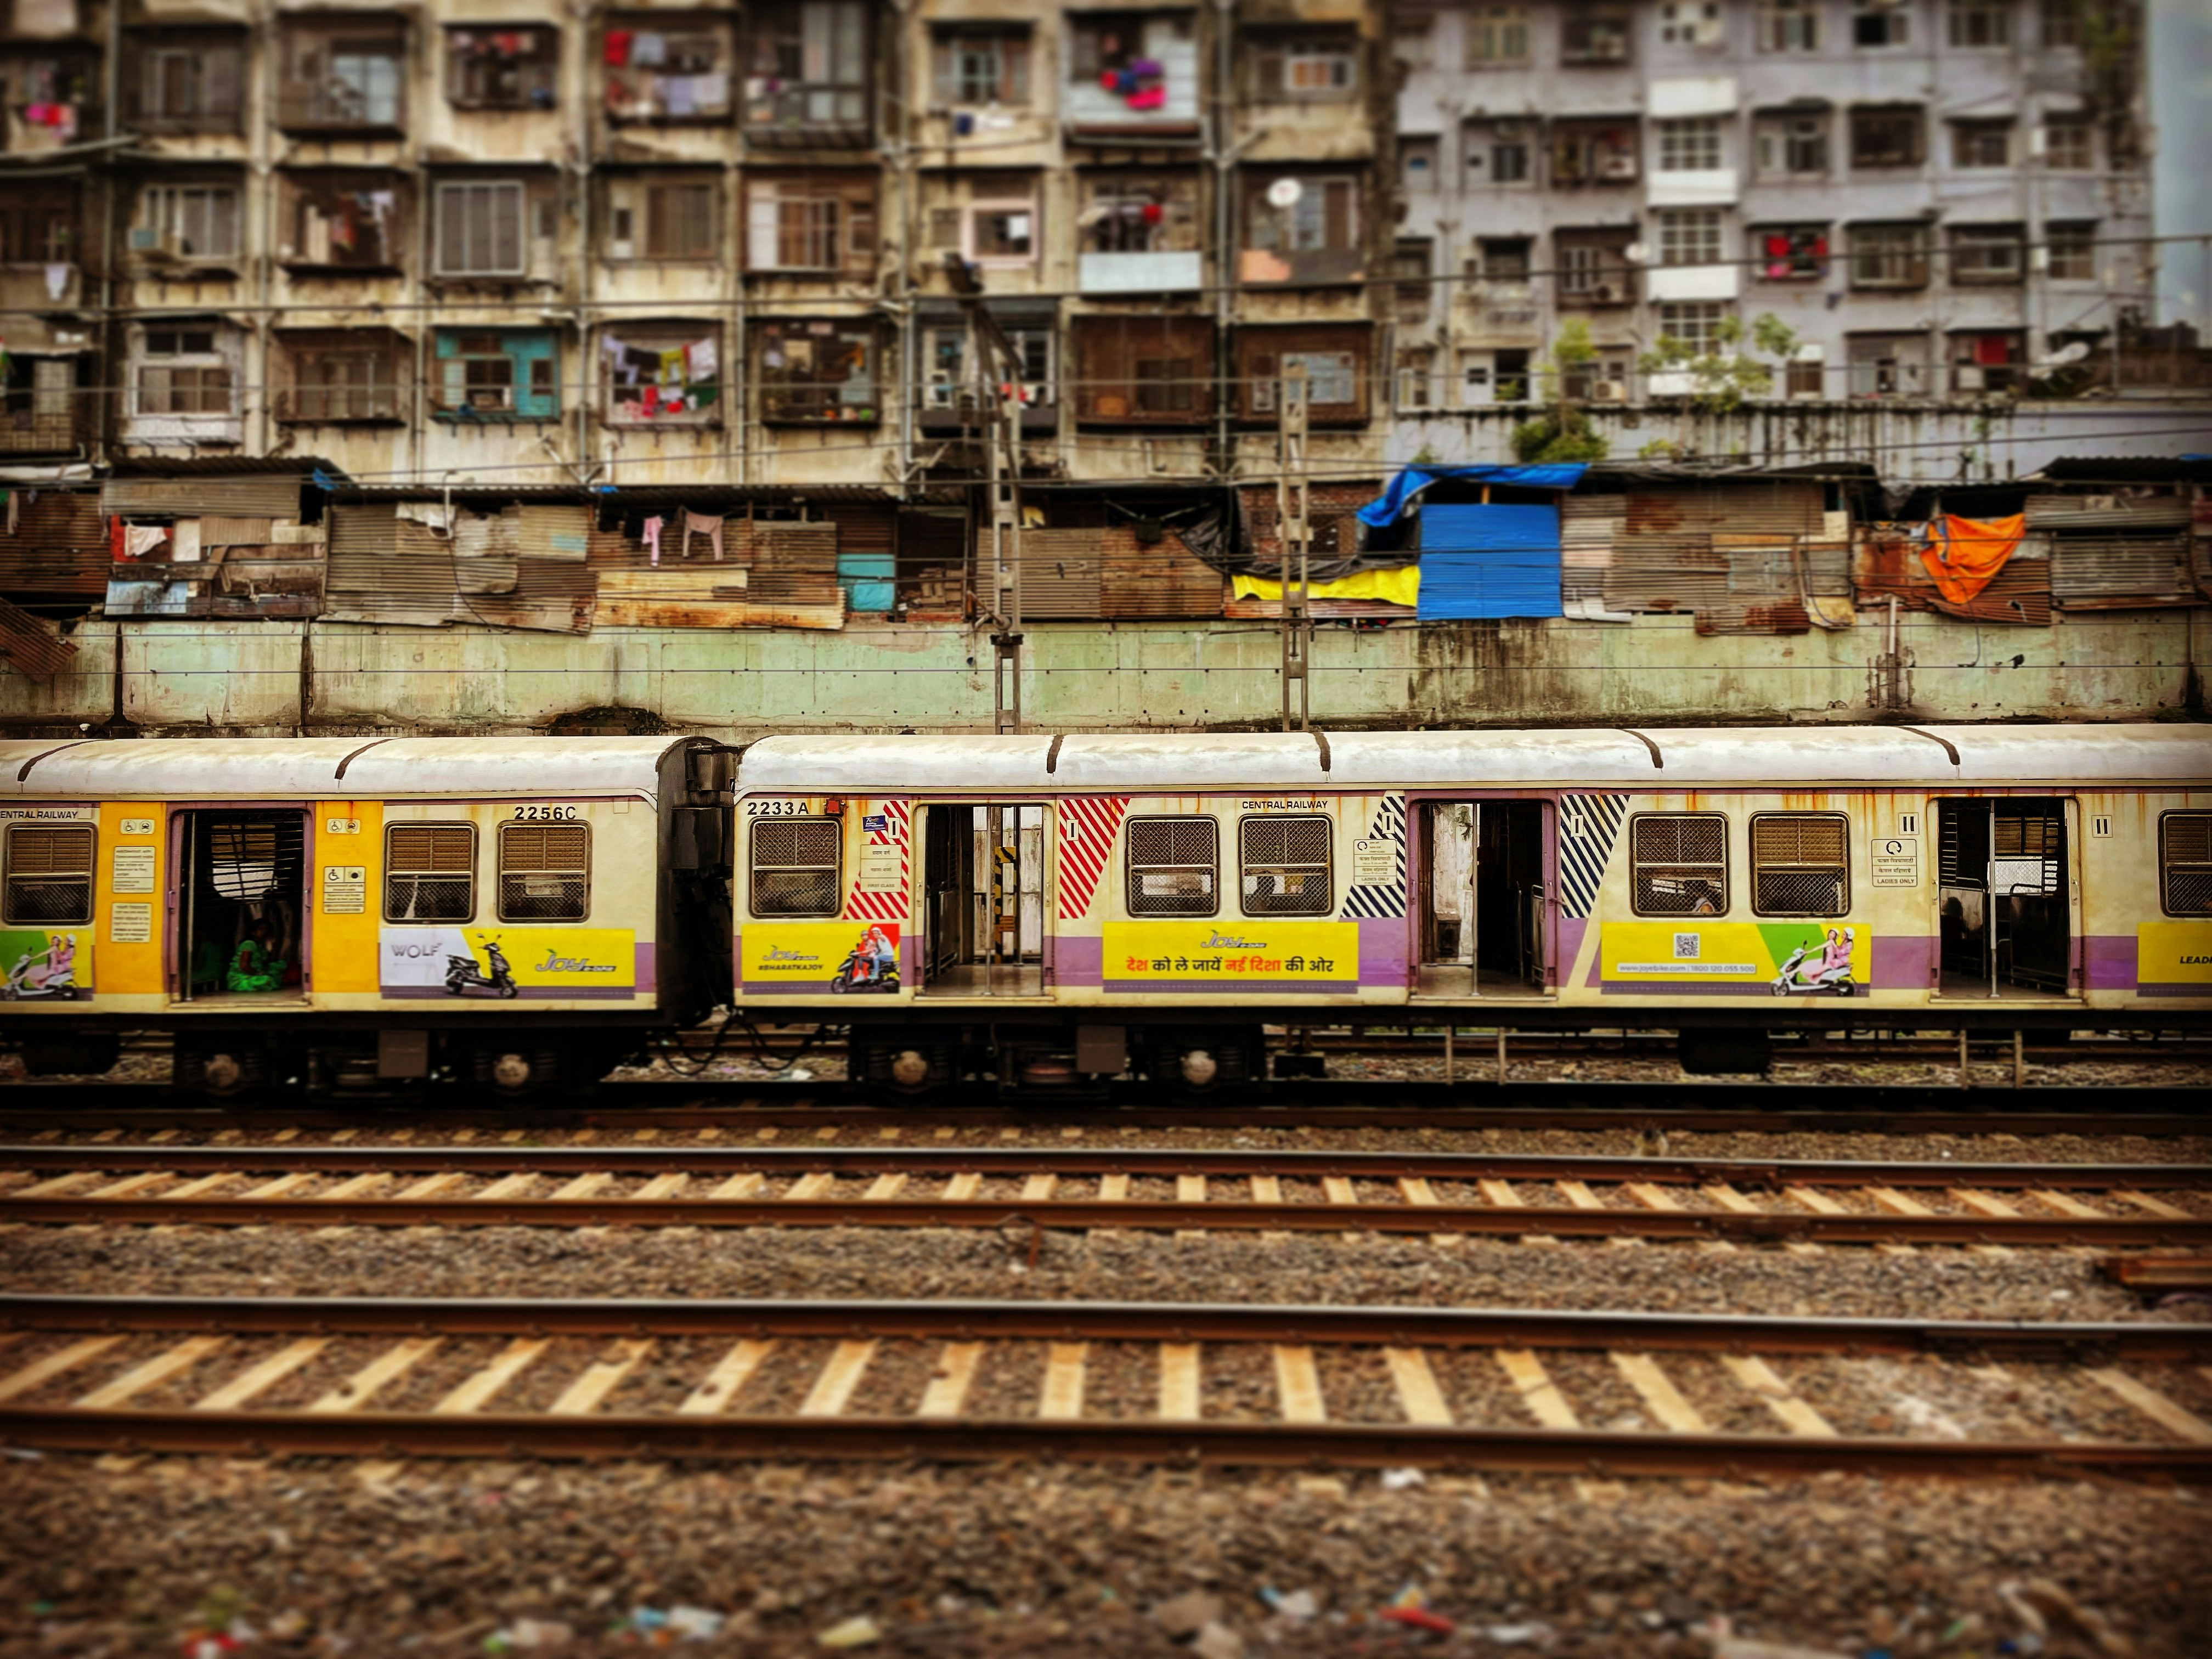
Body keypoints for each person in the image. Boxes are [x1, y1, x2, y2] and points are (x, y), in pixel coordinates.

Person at [227, 917, 287, 994]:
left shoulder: (260, 946)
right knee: (267, 980)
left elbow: (270, 961)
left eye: (266, 930)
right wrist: (259, 974)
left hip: (256, 973)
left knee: (279, 966)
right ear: (253, 932)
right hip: (241, 977)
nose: (264, 932)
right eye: (261, 929)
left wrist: (274, 944)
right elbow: (244, 966)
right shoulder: (249, 944)